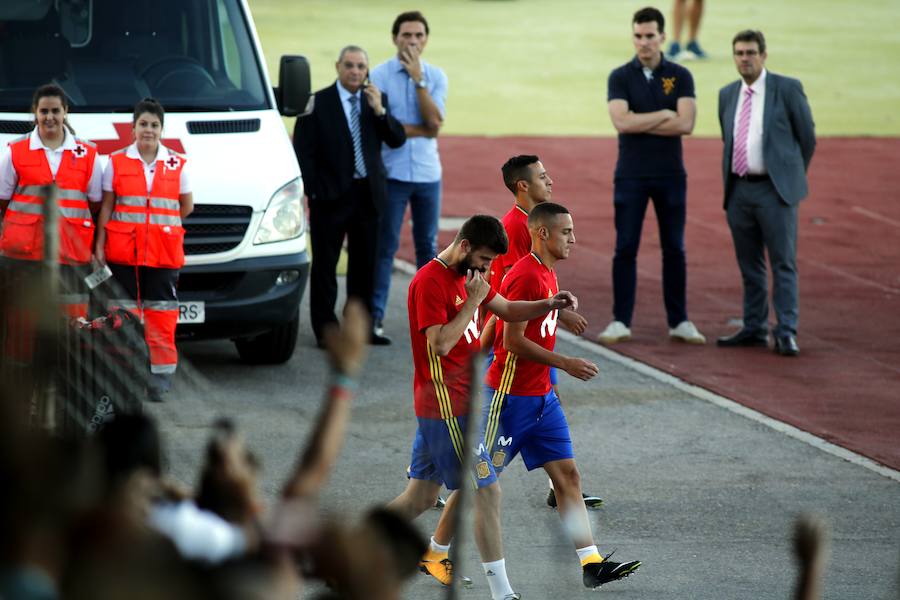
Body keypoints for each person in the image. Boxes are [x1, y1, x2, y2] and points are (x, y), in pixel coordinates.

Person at [387, 215, 576, 600]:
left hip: (458, 405)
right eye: (486, 260)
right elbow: (439, 344)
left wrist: (548, 303)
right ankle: (502, 593)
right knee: (487, 491)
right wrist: (472, 302)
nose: (489, 270)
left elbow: (506, 308)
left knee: (420, 498)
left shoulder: (470, 277)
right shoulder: (430, 281)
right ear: (466, 246)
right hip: (446, 407)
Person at [483, 202, 641, 590]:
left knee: (568, 476)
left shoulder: (547, 273)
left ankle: (591, 563)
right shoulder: (526, 276)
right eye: (567, 231)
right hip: (510, 399)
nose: (574, 238)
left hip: (542, 399)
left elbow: (532, 316)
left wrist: (560, 315)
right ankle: (437, 549)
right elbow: (512, 342)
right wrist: (566, 362)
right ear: (542, 233)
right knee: (480, 484)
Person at [485, 155, 602, 510]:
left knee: (547, 404)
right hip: (513, 344)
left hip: (530, 335)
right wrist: (561, 321)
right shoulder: (517, 228)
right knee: (483, 468)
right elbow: (513, 292)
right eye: (542, 176)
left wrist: (557, 310)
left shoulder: (538, 223)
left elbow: (540, 285)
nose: (550, 181)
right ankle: (431, 478)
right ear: (523, 185)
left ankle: (563, 487)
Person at [600, 6, 705, 346]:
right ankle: (620, 320)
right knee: (625, 247)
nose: (643, 42)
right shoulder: (619, 76)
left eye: (649, 36)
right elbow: (621, 122)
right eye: (638, 36)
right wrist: (663, 113)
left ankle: (679, 320)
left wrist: (640, 119)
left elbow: (686, 124)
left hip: (671, 175)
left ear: (663, 37)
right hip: (630, 175)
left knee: (674, 248)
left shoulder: (681, 75)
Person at [293, 45, 406, 348]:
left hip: (368, 196)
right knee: (325, 266)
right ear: (337, 67)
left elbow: (396, 139)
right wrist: (314, 189)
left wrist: (380, 111)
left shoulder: (375, 100)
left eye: (360, 66)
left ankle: (361, 328)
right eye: (349, 65)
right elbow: (303, 150)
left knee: (364, 266)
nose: (355, 71)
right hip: (330, 197)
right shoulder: (317, 102)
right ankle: (326, 330)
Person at [716, 30, 815, 357]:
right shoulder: (727, 94)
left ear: (764, 55)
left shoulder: (786, 89)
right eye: (739, 53)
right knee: (750, 265)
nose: (744, 58)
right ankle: (755, 326)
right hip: (740, 190)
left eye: (750, 52)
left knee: (783, 262)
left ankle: (786, 330)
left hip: (775, 191)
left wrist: (789, 176)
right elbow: (728, 139)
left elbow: (807, 138)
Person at [94, 98, 193, 400]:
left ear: (162, 129)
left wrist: (159, 230)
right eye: (143, 124)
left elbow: (185, 206)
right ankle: (121, 373)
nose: (148, 130)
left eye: (154, 125)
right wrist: (99, 245)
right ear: (133, 127)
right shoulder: (116, 161)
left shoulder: (177, 163)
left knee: (161, 317)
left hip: (163, 256)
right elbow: (107, 206)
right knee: (121, 315)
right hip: (124, 253)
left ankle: (159, 380)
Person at [369, 10, 448, 340]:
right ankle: (375, 318)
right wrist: (411, 129)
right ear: (394, 38)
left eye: (418, 36)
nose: (412, 41)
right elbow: (382, 128)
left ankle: (427, 320)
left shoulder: (436, 76)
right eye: (406, 35)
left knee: (427, 249)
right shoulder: (379, 75)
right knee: (385, 246)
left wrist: (418, 81)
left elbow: (434, 124)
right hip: (393, 174)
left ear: (426, 39)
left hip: (428, 175)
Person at [0, 83, 103, 322]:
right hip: (26, 254)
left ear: (65, 112)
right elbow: (2, 201)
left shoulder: (88, 153)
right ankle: (23, 361)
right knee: (24, 317)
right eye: (44, 111)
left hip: (72, 253)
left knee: (73, 316)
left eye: (55, 111)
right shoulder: (15, 151)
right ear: (35, 113)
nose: (50, 117)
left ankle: (68, 360)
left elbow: (94, 204)